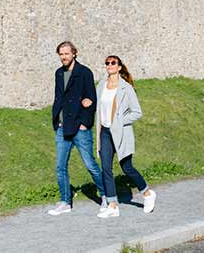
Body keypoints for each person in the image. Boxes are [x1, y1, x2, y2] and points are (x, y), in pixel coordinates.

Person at [86, 55, 156, 218]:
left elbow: (137, 112)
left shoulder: (126, 88)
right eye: (107, 63)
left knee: (127, 168)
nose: (109, 65)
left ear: (119, 67)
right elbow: (96, 105)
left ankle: (147, 193)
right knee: (106, 168)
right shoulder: (101, 85)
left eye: (113, 63)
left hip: (121, 133)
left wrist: (120, 121)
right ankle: (113, 205)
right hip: (104, 132)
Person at [47, 41, 108, 216]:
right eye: (61, 54)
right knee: (60, 167)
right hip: (62, 127)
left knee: (90, 165)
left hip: (80, 128)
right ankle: (65, 201)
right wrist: (55, 118)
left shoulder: (84, 73)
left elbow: (91, 100)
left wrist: (85, 123)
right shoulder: (59, 73)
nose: (64, 57)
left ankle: (106, 196)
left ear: (74, 53)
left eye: (66, 53)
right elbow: (59, 97)